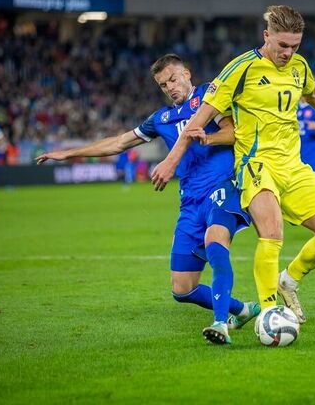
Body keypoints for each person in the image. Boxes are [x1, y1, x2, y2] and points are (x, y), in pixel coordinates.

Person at [151, 6, 315, 324]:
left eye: (295, 46)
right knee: (272, 234)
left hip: (294, 166)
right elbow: (200, 118)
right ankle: (269, 312)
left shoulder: (298, 67)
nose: (288, 53)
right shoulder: (240, 69)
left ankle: (288, 281)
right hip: (255, 165)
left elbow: (314, 93)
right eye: (282, 46)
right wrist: (171, 159)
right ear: (267, 36)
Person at [36, 54, 259, 345]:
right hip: (190, 203)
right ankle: (241, 309)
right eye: (163, 84)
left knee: (216, 244)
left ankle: (220, 324)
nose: (170, 87)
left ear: (187, 74)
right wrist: (68, 153)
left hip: (223, 187)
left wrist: (206, 137)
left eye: (173, 79)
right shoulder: (161, 119)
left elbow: (234, 132)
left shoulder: (208, 97)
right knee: (182, 289)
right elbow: (119, 143)